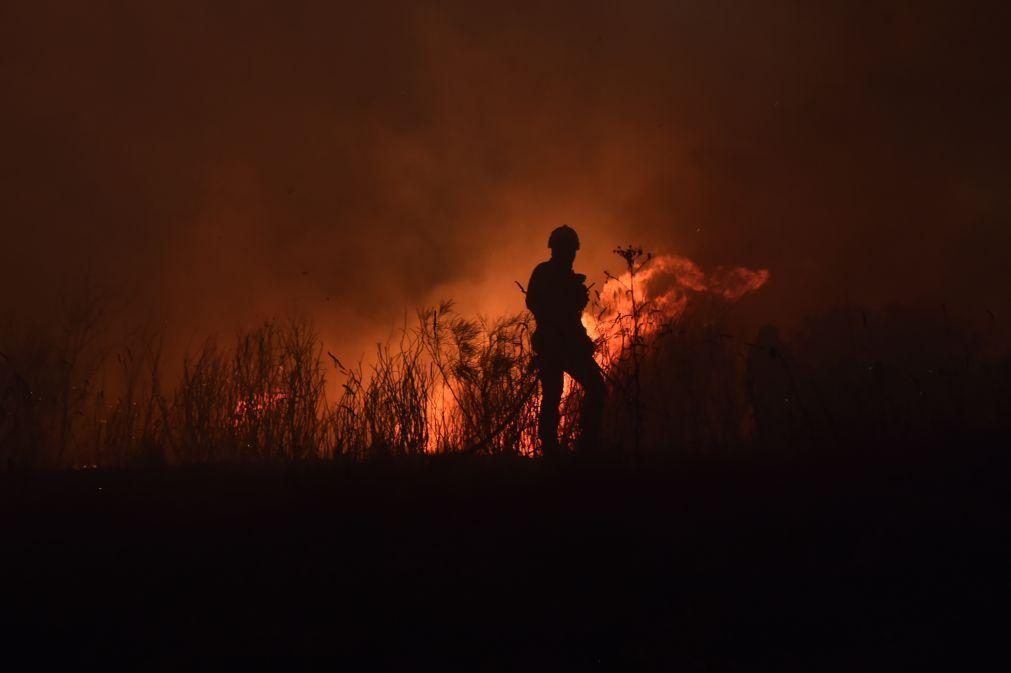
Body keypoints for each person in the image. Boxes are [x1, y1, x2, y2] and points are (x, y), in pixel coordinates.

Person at [525, 225, 605, 454]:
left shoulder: (568, 278)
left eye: (572, 250)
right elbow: (536, 305)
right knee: (553, 394)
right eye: (567, 249)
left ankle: (587, 443)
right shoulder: (545, 273)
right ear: (557, 249)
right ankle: (552, 447)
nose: (570, 254)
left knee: (595, 388)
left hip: (568, 345)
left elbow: (570, 315)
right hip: (553, 345)